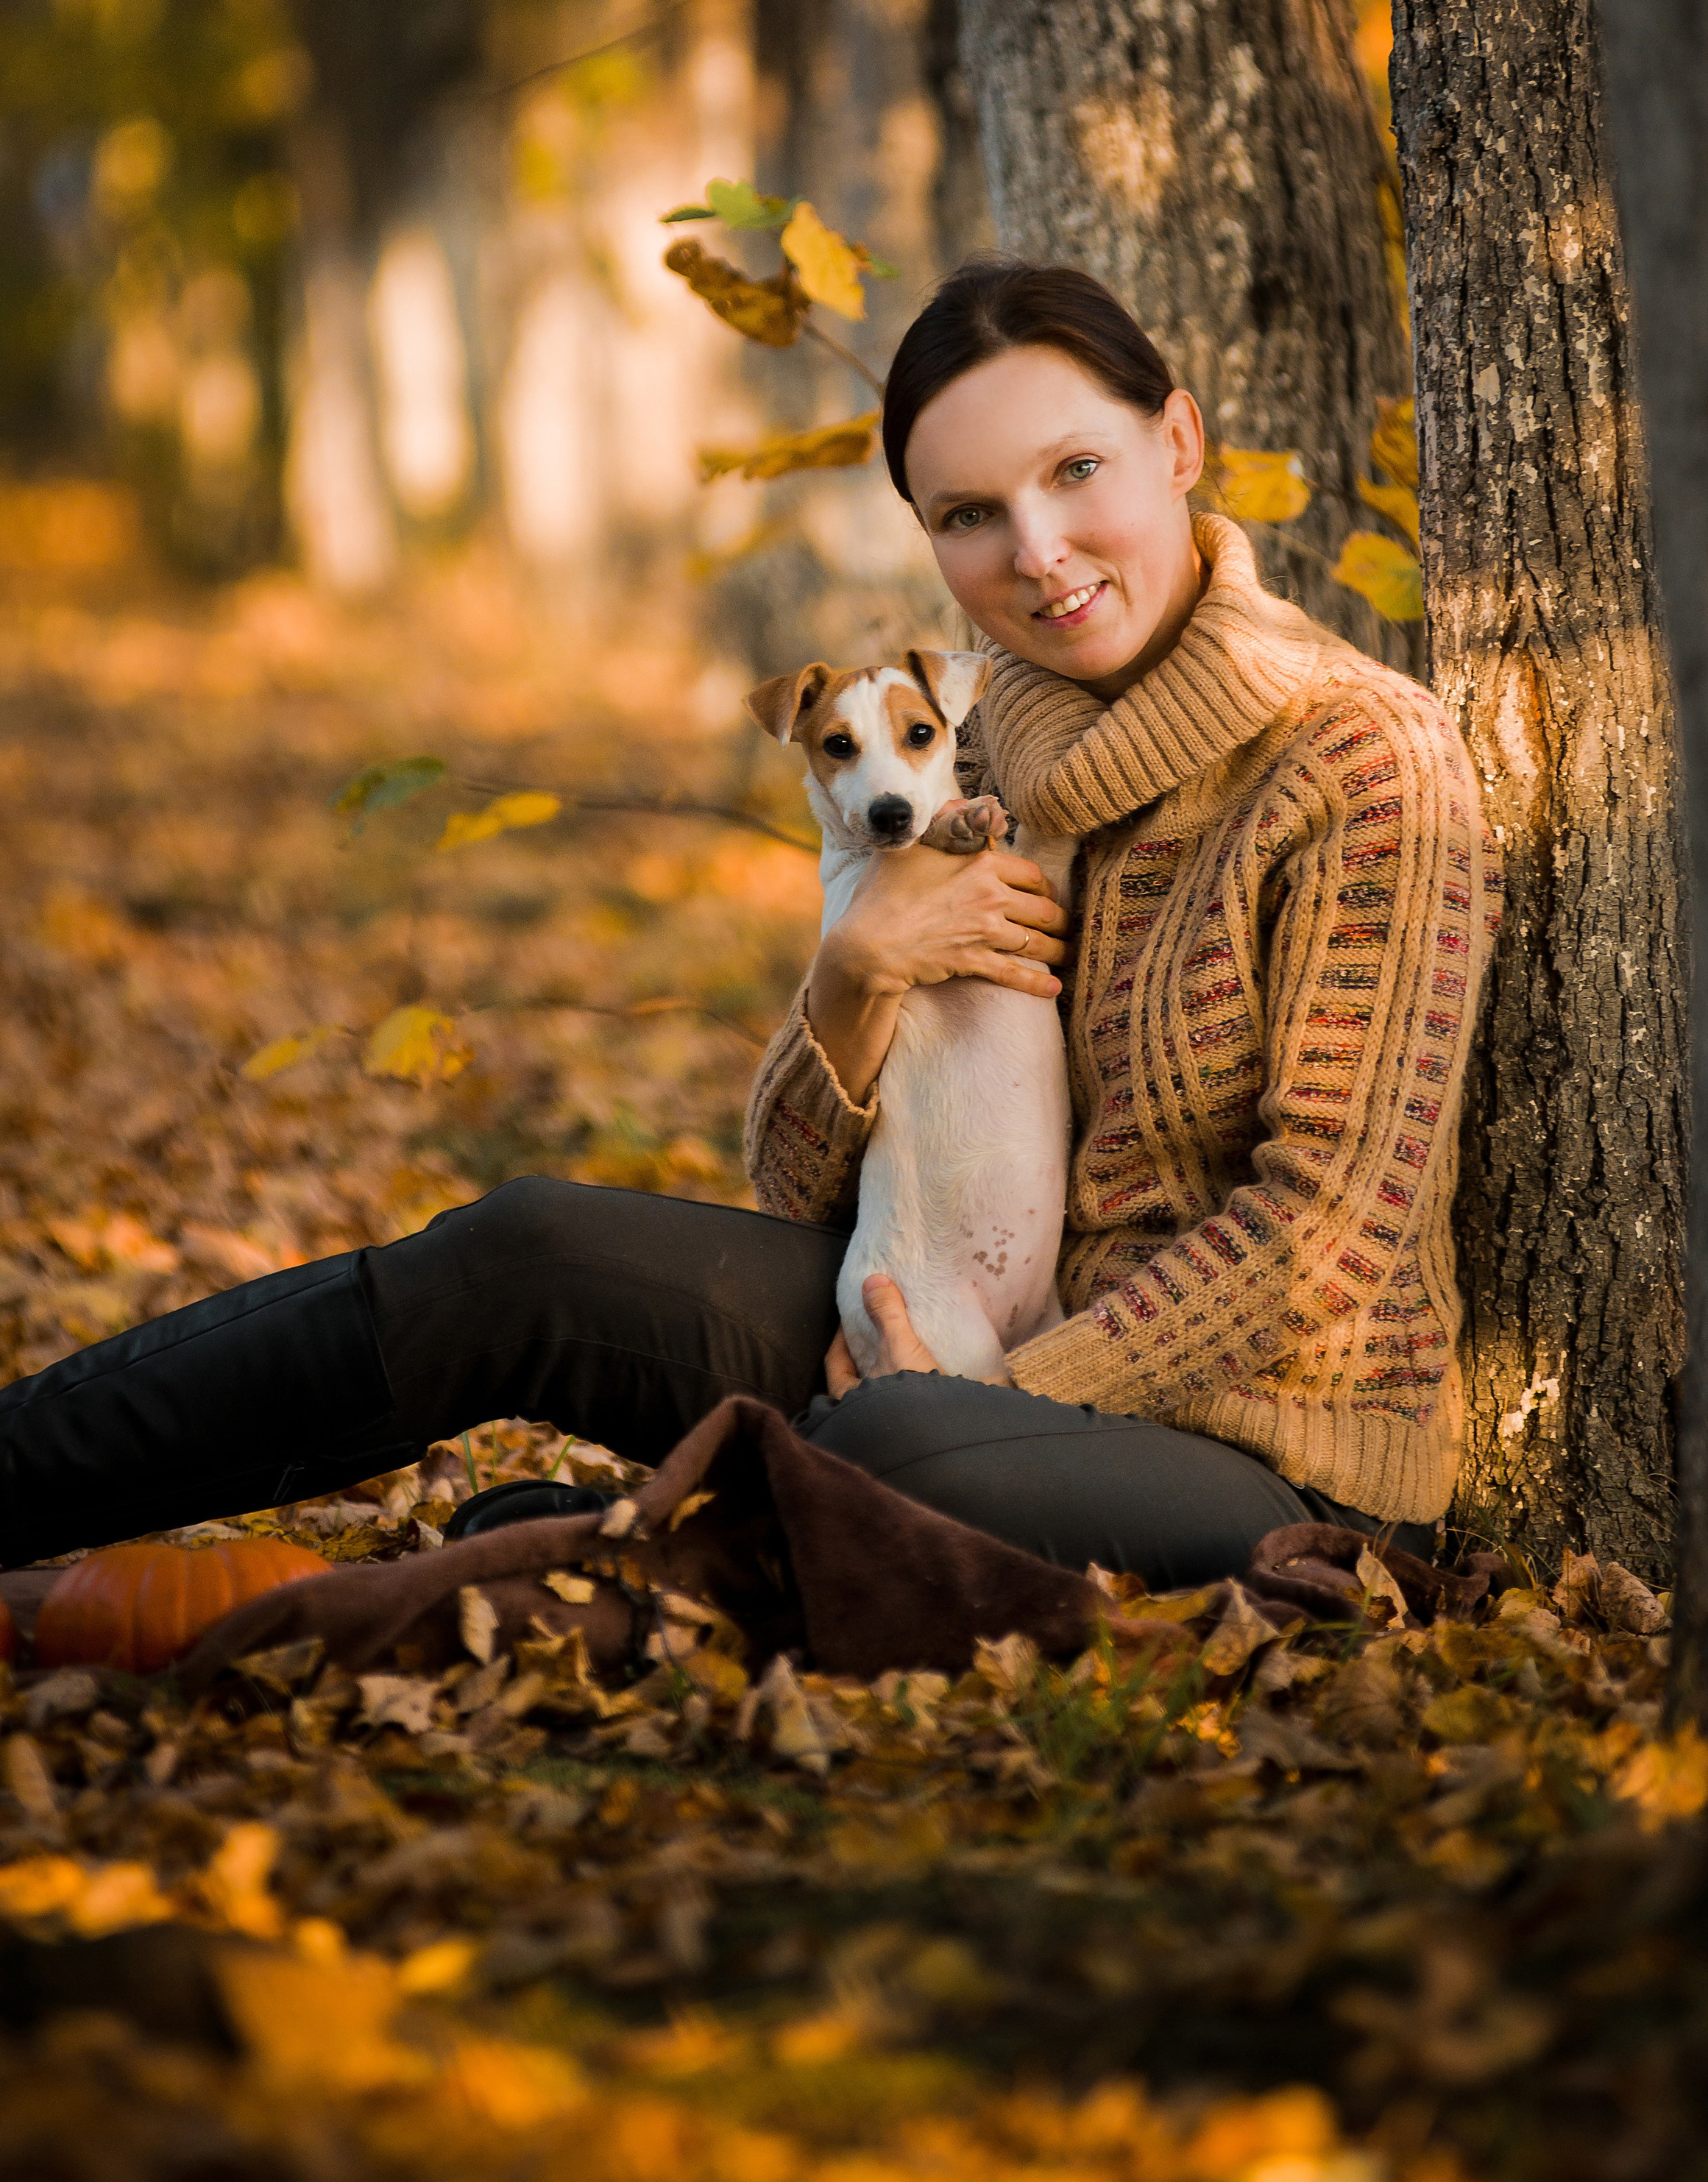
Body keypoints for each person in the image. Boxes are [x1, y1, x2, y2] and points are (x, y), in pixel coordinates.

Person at [0, 260, 1500, 1587]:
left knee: (893, 1445)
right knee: (525, 1247)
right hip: (943, 1332)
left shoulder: (1357, 757)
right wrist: (852, 976)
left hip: (1250, 1444)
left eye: (1076, 469)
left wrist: (1007, 1389)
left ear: (1178, 443)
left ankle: (600, 1551)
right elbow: (797, 1192)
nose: (1036, 550)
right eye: (969, 513)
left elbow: (1330, 1226)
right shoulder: (948, 757)